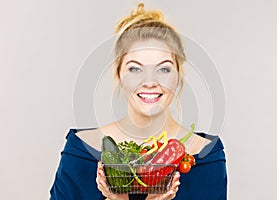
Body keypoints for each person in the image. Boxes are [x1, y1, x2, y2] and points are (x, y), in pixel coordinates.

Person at [50, 3, 227, 200]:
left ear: (178, 75)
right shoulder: (81, 153)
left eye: (163, 69)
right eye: (135, 69)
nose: (150, 82)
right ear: (119, 74)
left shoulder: (205, 156)